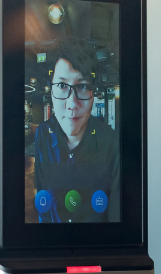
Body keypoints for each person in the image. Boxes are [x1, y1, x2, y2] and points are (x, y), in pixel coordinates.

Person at [31, 35, 120, 223]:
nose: (72, 103)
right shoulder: (43, 135)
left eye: (82, 86)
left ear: (93, 92)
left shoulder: (111, 142)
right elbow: (43, 204)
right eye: (62, 85)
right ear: (52, 88)